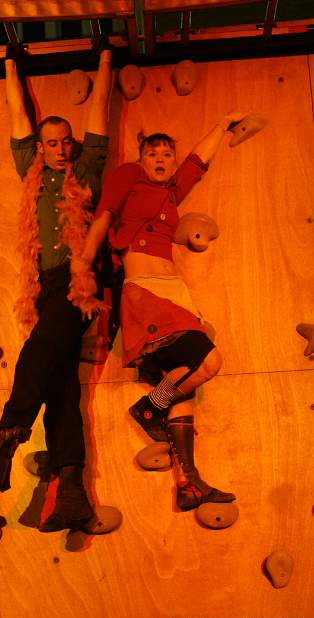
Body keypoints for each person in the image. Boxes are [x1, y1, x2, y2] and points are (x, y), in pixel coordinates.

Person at [0, 44, 113, 532]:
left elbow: (99, 110)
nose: (60, 149)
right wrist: (8, 63)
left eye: (66, 141)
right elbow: (17, 114)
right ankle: (72, 492)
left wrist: (106, 59)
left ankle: (2, 445)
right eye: (52, 143)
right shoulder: (31, 173)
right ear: (40, 149)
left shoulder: (87, 170)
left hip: (78, 281)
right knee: (61, 384)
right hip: (43, 285)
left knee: (34, 356)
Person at [70, 114, 245, 511]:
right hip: (147, 293)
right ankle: (149, 406)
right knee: (209, 362)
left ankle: (188, 484)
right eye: (153, 154)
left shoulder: (170, 193)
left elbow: (198, 162)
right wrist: (84, 260)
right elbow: (104, 215)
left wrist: (223, 124)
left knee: (183, 385)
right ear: (142, 158)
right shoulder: (129, 177)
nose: (161, 160)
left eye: (167, 154)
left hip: (176, 295)